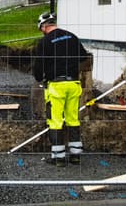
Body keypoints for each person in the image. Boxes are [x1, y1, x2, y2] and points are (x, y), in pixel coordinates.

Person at [32, 12, 91, 166]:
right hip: (73, 84)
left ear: (43, 26)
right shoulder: (71, 37)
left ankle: (58, 157)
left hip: (56, 86)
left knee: (55, 120)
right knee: (73, 119)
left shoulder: (45, 42)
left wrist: (39, 78)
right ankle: (75, 155)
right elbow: (83, 56)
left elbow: (38, 67)